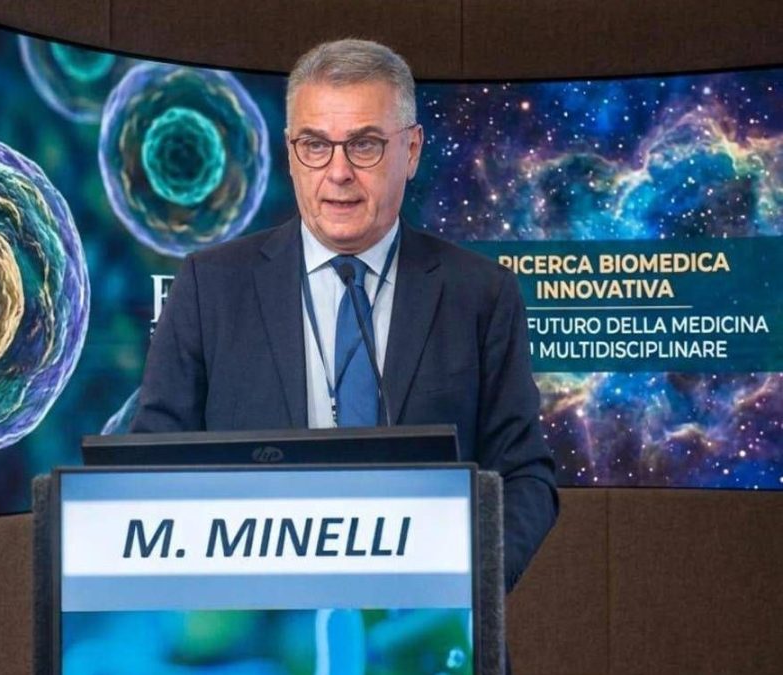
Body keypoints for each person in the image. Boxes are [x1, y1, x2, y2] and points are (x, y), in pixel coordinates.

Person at [131, 39, 557, 594]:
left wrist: (469, 585)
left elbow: (525, 476)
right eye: (315, 145)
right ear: (290, 153)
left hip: (425, 613)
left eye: (365, 145)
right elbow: (147, 469)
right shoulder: (208, 287)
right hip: (261, 618)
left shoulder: (481, 294)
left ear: (411, 150)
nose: (338, 172)